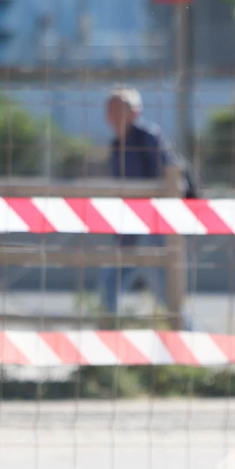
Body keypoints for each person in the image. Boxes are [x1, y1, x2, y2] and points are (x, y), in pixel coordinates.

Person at [101, 86, 196, 314]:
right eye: (111, 110)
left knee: (164, 290)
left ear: (136, 112)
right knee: (109, 286)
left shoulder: (148, 138)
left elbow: (169, 179)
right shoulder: (117, 144)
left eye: (120, 109)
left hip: (153, 227)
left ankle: (185, 334)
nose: (114, 116)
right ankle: (108, 331)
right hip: (130, 227)